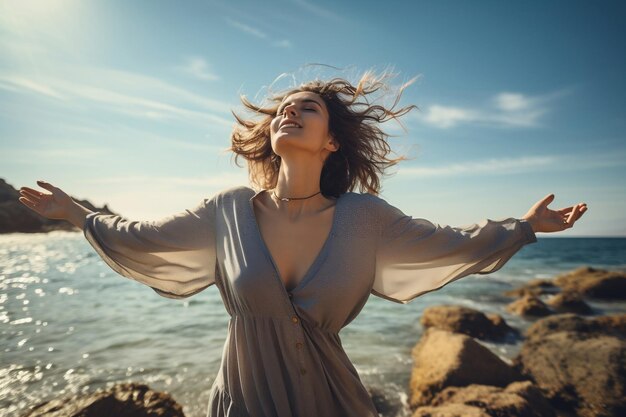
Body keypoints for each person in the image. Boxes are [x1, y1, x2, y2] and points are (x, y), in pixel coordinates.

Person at [18, 70, 587, 417]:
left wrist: (527, 226)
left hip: (335, 402)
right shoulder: (227, 210)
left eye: (306, 107)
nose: (289, 110)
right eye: (284, 108)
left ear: (332, 141)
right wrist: (76, 213)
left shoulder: (365, 218)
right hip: (242, 402)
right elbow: (143, 240)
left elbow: (454, 243)